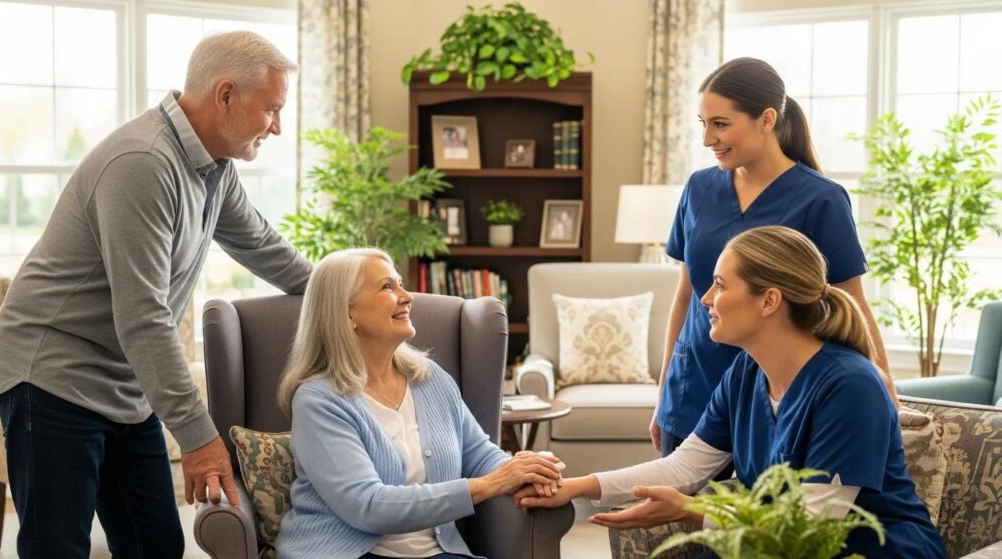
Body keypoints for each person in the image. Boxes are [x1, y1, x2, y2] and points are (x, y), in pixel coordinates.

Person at [0, 31, 313, 558]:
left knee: (155, 543)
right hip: (51, 379)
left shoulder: (213, 167)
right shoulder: (142, 162)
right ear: (225, 95)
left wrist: (345, 293)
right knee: (56, 548)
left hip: (125, 389)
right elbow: (144, 317)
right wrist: (200, 439)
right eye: (271, 110)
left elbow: (263, 246)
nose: (278, 127)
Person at [516, 226, 945, 559]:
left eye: (721, 284)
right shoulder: (746, 370)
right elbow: (683, 467)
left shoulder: (849, 386)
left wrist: (692, 510)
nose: (705, 299)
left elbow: (813, 523)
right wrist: (575, 486)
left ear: (769, 300)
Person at [648, 57, 899, 466]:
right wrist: (662, 393)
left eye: (721, 124)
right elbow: (685, 297)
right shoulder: (698, 188)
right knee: (677, 524)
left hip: (780, 398)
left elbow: (851, 303)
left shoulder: (821, 199)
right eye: (703, 123)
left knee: (762, 524)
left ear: (766, 119)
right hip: (691, 392)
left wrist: (884, 391)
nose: (708, 138)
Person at [275, 248, 564, 559]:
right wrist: (491, 484)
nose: (406, 296)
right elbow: (369, 506)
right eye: (387, 287)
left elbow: (479, 454)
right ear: (347, 312)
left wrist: (529, 471)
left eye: (400, 284)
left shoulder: (430, 379)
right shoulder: (319, 400)